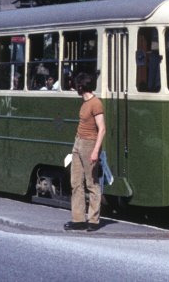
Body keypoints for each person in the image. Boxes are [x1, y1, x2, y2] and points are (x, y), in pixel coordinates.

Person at [65, 72, 105, 232]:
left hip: (90, 144)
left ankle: (93, 220)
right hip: (78, 142)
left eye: (76, 85)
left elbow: (102, 129)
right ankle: (78, 219)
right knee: (76, 183)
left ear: (81, 87)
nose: (75, 88)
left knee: (91, 183)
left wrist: (95, 151)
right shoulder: (84, 103)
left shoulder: (96, 103)